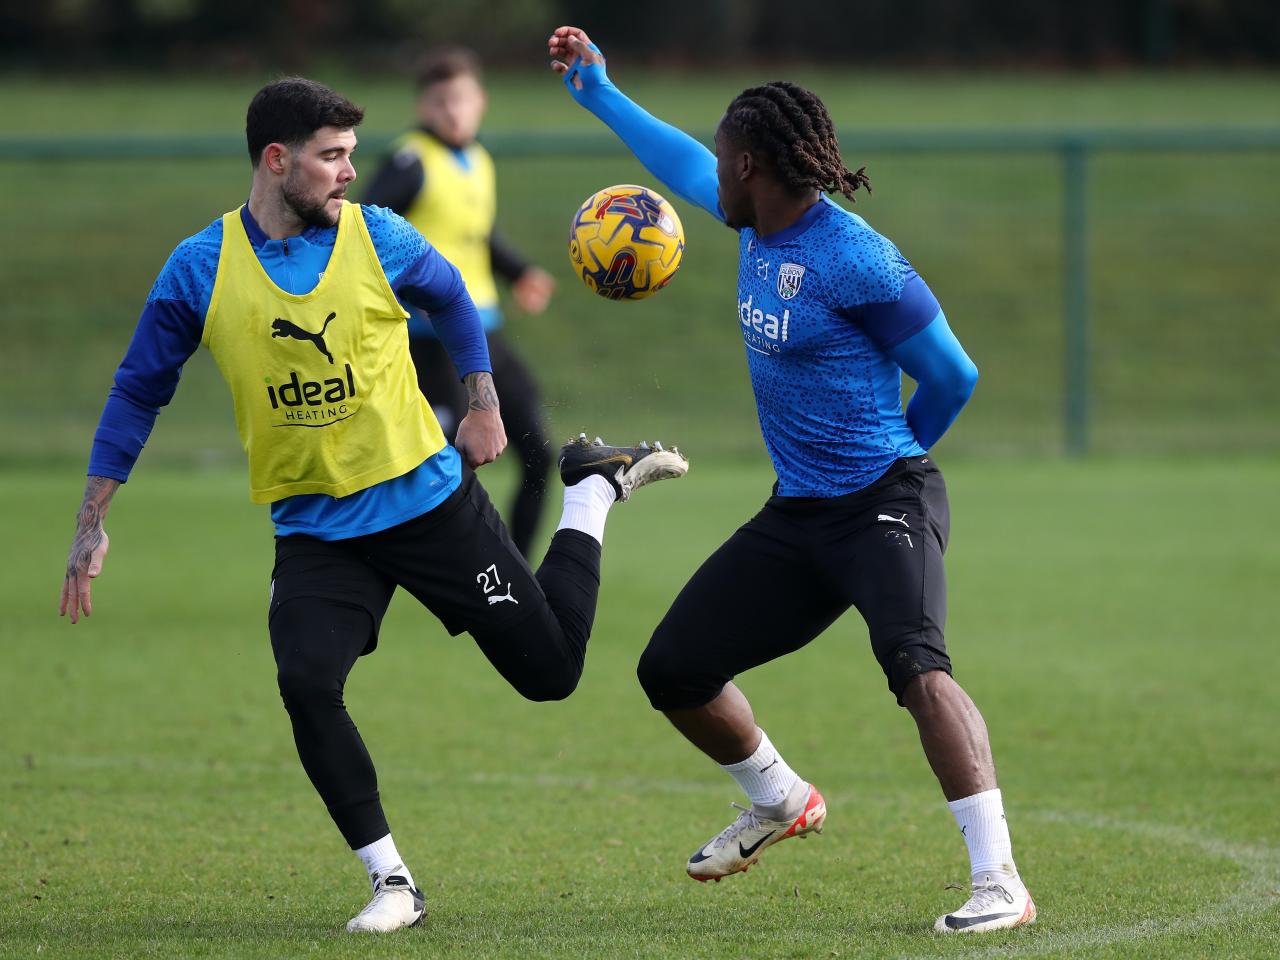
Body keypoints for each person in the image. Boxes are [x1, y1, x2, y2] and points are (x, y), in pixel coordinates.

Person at [58, 76, 686, 935]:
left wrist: (482, 400)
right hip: (317, 529)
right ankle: (394, 883)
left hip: (430, 507)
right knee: (307, 680)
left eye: (353, 154)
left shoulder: (380, 235)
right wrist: (92, 524)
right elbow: (137, 392)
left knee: (552, 676)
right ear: (277, 162)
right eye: (332, 157)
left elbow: (453, 300)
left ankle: (589, 490)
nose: (350, 172)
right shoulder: (198, 269)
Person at [548, 26, 1035, 935]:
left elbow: (953, 375)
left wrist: (889, 468)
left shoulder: (854, 256)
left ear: (758, 169)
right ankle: (778, 799)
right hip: (799, 513)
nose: (712, 176)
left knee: (919, 670)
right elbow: (681, 157)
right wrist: (600, 93)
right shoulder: (753, 216)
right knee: (674, 668)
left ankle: (999, 879)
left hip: (883, 501)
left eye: (726, 161)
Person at [362, 47, 556, 558]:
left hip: (483, 331)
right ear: (424, 106)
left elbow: (476, 231)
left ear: (481, 102)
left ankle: (516, 569)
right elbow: (361, 230)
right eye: (440, 101)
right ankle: (416, 564)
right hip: (428, 339)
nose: (452, 111)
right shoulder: (410, 161)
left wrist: (519, 273)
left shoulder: (478, 160)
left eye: (461, 100)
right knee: (452, 467)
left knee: (539, 452)